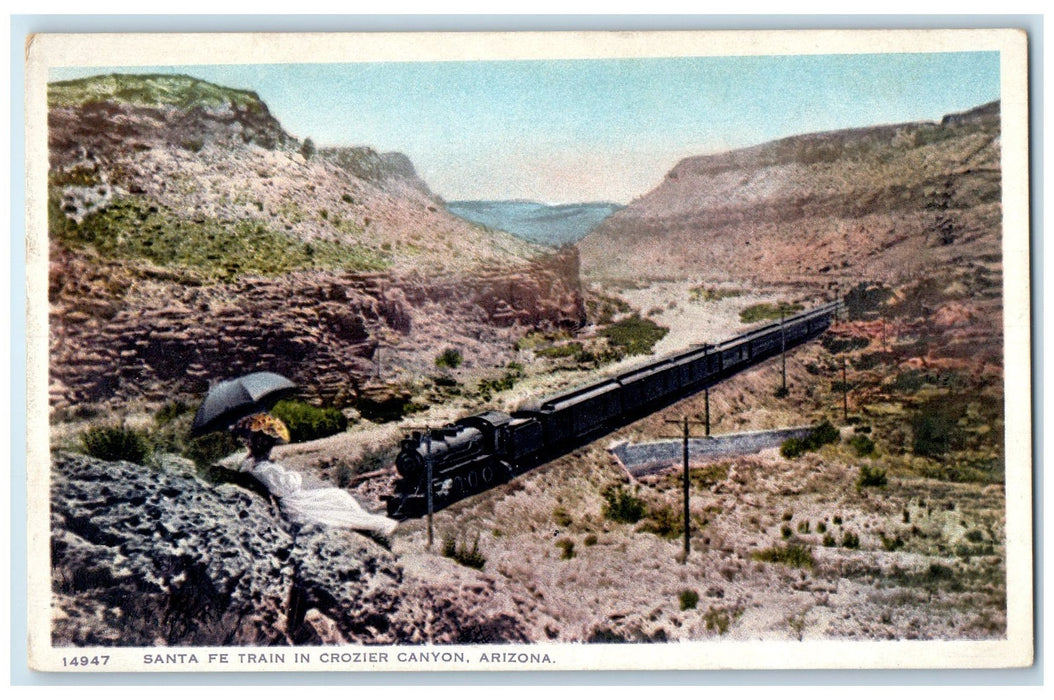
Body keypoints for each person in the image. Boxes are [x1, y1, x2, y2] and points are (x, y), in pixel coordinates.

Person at [229, 412, 397, 536]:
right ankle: (370, 523)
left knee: (337, 496)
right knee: (337, 497)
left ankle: (365, 520)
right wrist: (295, 475)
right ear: (263, 445)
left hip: (291, 499)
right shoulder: (262, 468)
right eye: (270, 444)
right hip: (294, 503)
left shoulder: (253, 465)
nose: (270, 449)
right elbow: (285, 487)